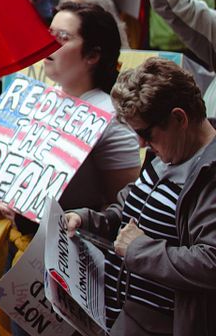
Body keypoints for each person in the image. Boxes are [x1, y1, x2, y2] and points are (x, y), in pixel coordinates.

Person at [63, 58, 216, 335]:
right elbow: (131, 210)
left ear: (179, 118)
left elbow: (211, 262)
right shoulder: (168, 150)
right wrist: (90, 221)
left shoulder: (209, 172)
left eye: (145, 133)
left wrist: (139, 250)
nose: (141, 143)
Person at [36, 2, 141, 210]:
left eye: (63, 37)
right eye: (49, 33)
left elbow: (124, 206)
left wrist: (77, 220)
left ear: (92, 55)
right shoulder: (40, 97)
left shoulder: (110, 118)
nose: (49, 42)